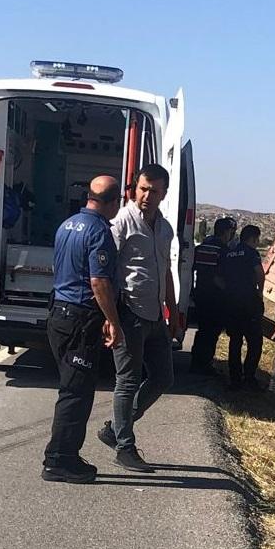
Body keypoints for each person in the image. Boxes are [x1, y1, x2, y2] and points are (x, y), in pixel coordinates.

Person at [97, 164, 181, 471]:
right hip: (129, 312)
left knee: (163, 378)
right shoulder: (122, 222)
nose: (146, 195)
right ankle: (124, 447)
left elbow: (166, 271)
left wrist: (173, 311)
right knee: (127, 380)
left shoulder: (165, 228)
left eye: (154, 191)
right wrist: (110, 317)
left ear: (163, 194)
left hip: (156, 315)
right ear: (134, 189)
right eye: (142, 189)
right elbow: (104, 270)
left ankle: (115, 428)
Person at [42, 176, 123, 483]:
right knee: (76, 392)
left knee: (70, 387)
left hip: (60, 314)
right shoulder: (99, 232)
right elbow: (99, 282)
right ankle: (60, 459)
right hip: (79, 319)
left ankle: (63, 455)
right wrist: (113, 321)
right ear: (113, 203)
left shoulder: (68, 225)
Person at [188, 216, 237, 375]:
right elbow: (215, 276)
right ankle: (204, 364)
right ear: (227, 232)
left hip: (200, 295)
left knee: (203, 330)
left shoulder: (202, 246)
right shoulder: (221, 250)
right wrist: (228, 291)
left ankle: (197, 362)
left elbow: (194, 269)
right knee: (211, 332)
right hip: (214, 298)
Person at [220, 224, 266, 390]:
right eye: (257, 239)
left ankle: (235, 378)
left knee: (235, 341)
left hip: (231, 302)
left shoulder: (229, 253)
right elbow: (260, 274)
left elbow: (220, 277)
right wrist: (260, 293)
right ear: (253, 238)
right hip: (248, 302)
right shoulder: (251, 253)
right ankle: (249, 377)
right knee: (255, 342)